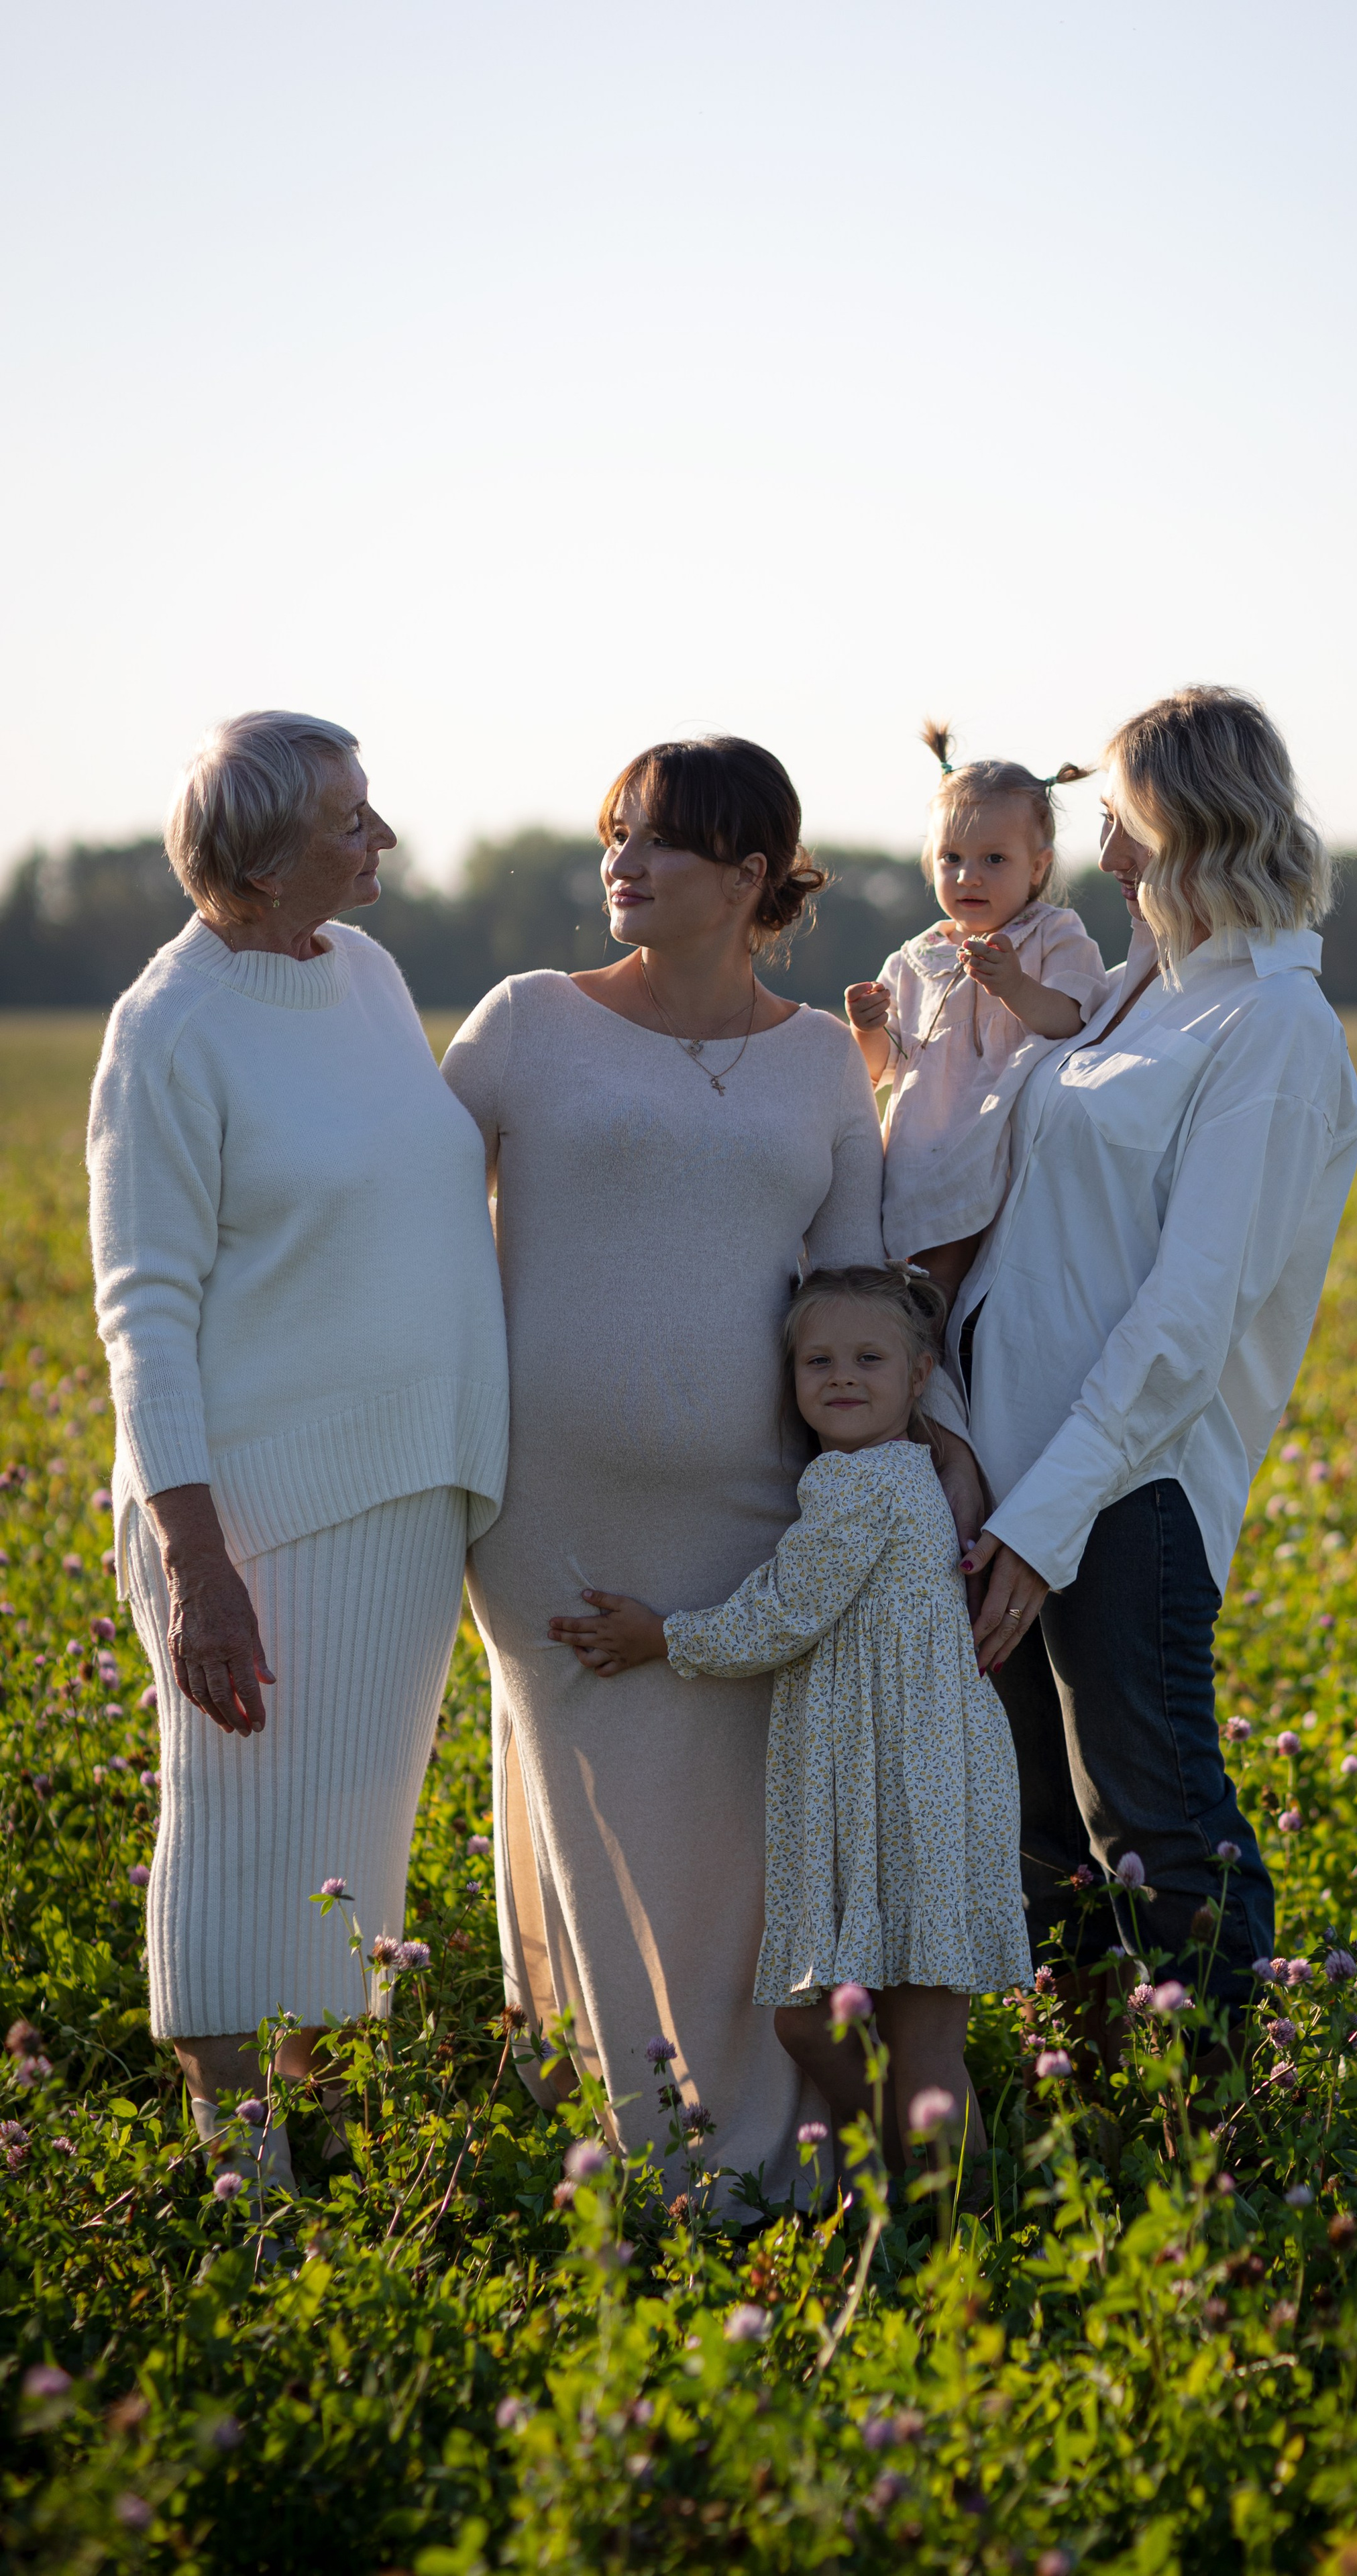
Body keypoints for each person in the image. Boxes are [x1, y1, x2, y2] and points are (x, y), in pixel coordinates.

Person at [442, 737, 978, 2216]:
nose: (621, 862)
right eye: (615, 833)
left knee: (745, 1847)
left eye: (659, 840)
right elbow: (404, 1223)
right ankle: (670, 2155)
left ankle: (778, 2154)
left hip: (754, 1515)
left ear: (749, 876)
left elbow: (861, 1289)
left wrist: (942, 1449)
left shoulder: (815, 1060)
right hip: (547, 1512)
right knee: (604, 1821)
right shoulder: (525, 1022)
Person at [87, 711, 508, 2199]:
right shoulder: (171, 1029)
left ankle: (321, 2172)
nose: (382, 836)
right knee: (237, 1851)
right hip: (254, 1520)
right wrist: (197, 1562)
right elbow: (142, 1308)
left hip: (403, 1500)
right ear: (262, 866)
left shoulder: (369, 974)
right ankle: (244, 2189)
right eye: (350, 819)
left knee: (347, 1853)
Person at [954, 687, 1357, 2068]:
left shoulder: (1275, 1027)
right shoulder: (1142, 986)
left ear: (1197, 827)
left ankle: (1227, 2133)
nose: (1105, 856)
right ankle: (1087, 2104)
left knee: (1156, 1829)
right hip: (1013, 1467)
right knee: (1042, 1836)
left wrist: (1044, 1520)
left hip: (1128, 1489)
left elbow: (1190, 1318)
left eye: (1125, 824)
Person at [553, 1263, 1031, 2177]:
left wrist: (661, 1636)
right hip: (918, 1784)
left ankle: (960, 2222)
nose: (842, 1376)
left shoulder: (863, 1486)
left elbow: (783, 1614)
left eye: (868, 1359)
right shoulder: (903, 1476)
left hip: (910, 1792)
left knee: (894, 2038)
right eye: (819, 1361)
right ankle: (924, 2193)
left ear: (919, 1376)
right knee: (840, 2029)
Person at [844, 722, 1110, 1303]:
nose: (969, 876)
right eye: (952, 858)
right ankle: (918, 1343)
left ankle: (937, 1341)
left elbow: (1072, 1020)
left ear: (1037, 867)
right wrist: (867, 1028)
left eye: (994, 858)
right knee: (915, 1280)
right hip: (925, 1144)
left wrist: (1013, 985)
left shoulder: (1052, 934)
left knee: (971, 1285)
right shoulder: (915, 958)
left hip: (1006, 1137)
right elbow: (880, 1068)